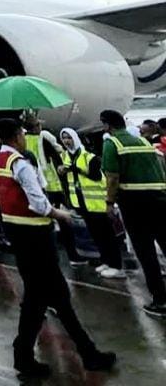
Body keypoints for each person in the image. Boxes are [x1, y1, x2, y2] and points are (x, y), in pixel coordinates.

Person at [0, 118, 115, 378]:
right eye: (22, 133)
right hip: (36, 237)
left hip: (18, 236)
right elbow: (39, 203)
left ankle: (83, 353)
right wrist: (61, 215)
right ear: (16, 136)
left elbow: (2, 196)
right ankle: (33, 357)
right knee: (47, 298)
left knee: (48, 299)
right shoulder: (20, 164)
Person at [100, 109, 166, 317]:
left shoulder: (112, 143)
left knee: (146, 253)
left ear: (107, 125)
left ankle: (161, 300)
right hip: (159, 199)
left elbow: (112, 177)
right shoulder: (145, 143)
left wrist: (110, 203)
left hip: (134, 203)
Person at [58, 128, 124, 279]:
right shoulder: (66, 156)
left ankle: (116, 265)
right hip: (82, 204)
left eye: (69, 137)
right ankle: (106, 261)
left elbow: (95, 175)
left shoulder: (89, 157)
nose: (67, 141)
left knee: (107, 235)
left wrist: (75, 169)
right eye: (64, 138)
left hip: (96, 204)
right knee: (97, 235)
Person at [21, 114, 84, 266]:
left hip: (34, 188)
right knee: (65, 221)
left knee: (41, 224)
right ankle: (72, 255)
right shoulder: (43, 140)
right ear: (36, 127)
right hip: (53, 188)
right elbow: (58, 162)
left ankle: (45, 257)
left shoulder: (21, 143)